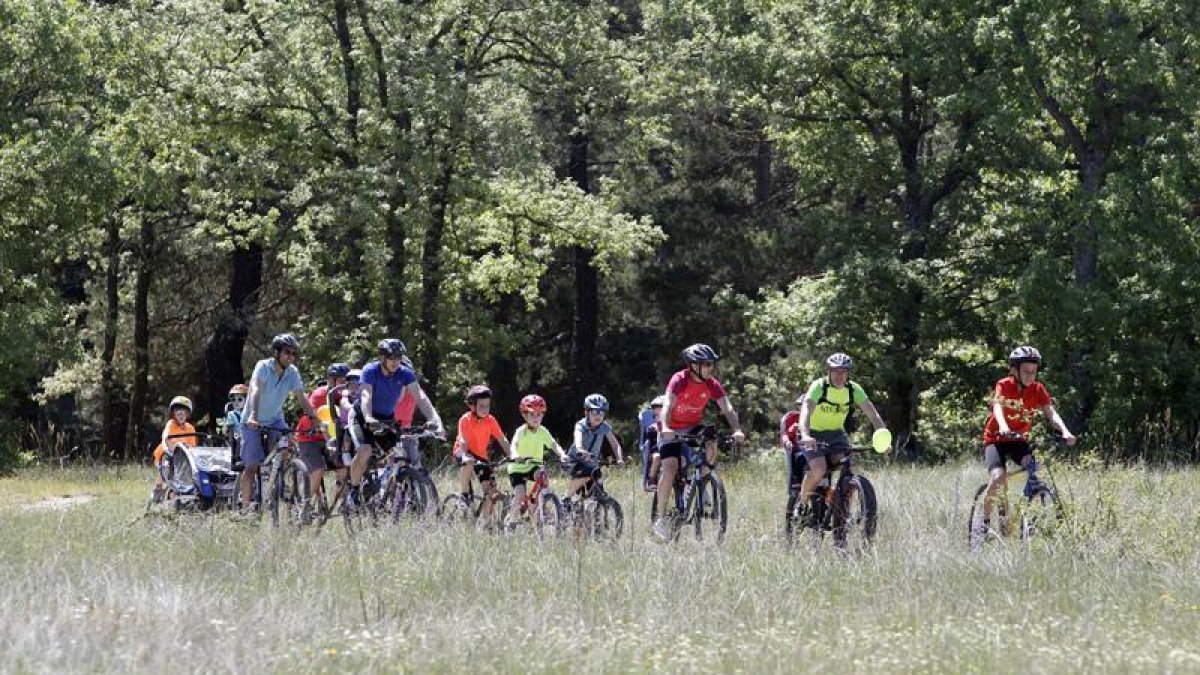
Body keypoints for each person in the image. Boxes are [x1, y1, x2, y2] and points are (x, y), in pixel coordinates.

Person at [977, 345, 1076, 534]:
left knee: (1034, 468)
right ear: (1015, 371)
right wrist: (1004, 427)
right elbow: (998, 407)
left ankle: (1027, 519)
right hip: (996, 439)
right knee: (998, 477)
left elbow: (1050, 412)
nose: (1031, 376)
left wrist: (1065, 431)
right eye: (1026, 371)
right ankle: (984, 524)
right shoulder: (1004, 384)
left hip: (1018, 441)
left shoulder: (1038, 389)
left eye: (1034, 371)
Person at [654, 343, 746, 539]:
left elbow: (727, 408)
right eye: (706, 364)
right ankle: (660, 518)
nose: (710, 368)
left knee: (712, 442)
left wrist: (737, 429)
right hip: (670, 426)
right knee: (670, 468)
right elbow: (668, 405)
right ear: (693, 365)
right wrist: (667, 428)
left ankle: (700, 483)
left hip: (693, 425)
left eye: (711, 364)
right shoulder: (679, 379)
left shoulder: (711, 383)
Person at [346, 339, 445, 507]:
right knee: (365, 449)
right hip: (362, 416)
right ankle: (354, 491)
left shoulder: (405, 373)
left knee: (398, 455)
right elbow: (366, 396)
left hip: (386, 419)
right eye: (392, 357)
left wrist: (435, 419)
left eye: (399, 357)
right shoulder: (370, 370)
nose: (396, 361)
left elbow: (420, 397)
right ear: (382, 358)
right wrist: (369, 417)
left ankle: (386, 493)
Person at [796, 353, 888, 522]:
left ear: (848, 373)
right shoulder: (819, 386)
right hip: (813, 433)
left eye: (844, 372)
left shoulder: (853, 389)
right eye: (836, 371)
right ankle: (801, 504)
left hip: (836, 435)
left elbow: (873, 414)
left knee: (848, 467)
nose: (840, 375)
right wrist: (806, 435)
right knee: (818, 469)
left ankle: (841, 507)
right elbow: (806, 412)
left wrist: (883, 437)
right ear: (829, 372)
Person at [239, 333, 324, 513]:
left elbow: (302, 397)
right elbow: (255, 390)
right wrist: (253, 415)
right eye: (287, 352)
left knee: (287, 448)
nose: (291, 357)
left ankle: (282, 480)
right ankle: (245, 508)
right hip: (252, 420)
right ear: (277, 353)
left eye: (293, 354)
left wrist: (315, 418)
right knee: (252, 466)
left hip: (275, 418)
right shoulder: (263, 367)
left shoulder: (292, 372)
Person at [452, 384, 510, 522]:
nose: (485, 409)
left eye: (487, 406)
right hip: (462, 450)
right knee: (469, 462)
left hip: (481, 456)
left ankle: (486, 523)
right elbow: (463, 439)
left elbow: (502, 439)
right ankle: (464, 495)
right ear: (472, 406)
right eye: (481, 406)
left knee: (491, 491)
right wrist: (465, 455)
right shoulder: (465, 419)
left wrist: (513, 455)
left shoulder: (491, 420)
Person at [506, 394, 568, 521]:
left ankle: (539, 505)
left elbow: (553, 444)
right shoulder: (520, 431)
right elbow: (514, 445)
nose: (536, 418)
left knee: (543, 477)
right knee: (520, 493)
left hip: (534, 465)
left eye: (539, 414)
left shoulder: (543, 431)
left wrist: (562, 455)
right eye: (532, 414)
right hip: (517, 468)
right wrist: (515, 455)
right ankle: (511, 522)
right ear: (524, 415)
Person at [568, 394, 625, 500]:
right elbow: (578, 438)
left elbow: (615, 444)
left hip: (592, 464)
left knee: (599, 491)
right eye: (594, 412)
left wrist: (619, 459)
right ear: (586, 412)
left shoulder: (604, 427)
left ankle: (596, 511)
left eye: (601, 412)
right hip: (575, 462)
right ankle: (566, 499)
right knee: (587, 475)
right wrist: (580, 449)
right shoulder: (581, 425)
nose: (598, 415)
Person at [152, 396, 200, 499]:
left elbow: (192, 446)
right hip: (165, 454)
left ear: (187, 414)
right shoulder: (171, 424)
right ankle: (157, 490)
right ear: (173, 413)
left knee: (184, 474)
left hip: (182, 457)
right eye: (178, 411)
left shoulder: (190, 428)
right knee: (165, 468)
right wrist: (168, 450)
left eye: (184, 411)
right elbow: (165, 437)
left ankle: (178, 493)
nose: (181, 414)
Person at [780, 394, 806, 496]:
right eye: (801, 405)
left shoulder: (819, 420)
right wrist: (787, 442)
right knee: (801, 457)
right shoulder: (795, 420)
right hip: (799, 449)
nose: (803, 408)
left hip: (817, 449)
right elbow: (786, 435)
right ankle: (797, 481)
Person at [640, 396, 665, 492]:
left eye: (661, 414)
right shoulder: (652, 427)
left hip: (671, 450)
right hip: (656, 451)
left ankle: (684, 479)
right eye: (656, 415)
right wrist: (659, 429)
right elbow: (649, 435)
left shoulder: (673, 426)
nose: (658, 417)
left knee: (683, 459)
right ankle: (651, 480)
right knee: (657, 457)